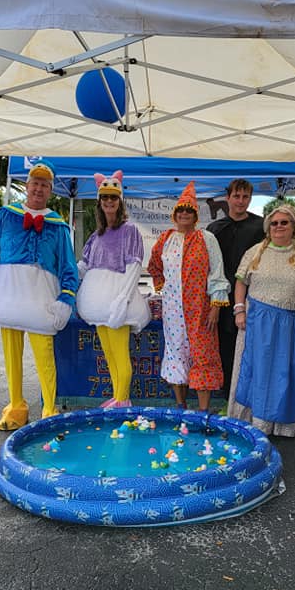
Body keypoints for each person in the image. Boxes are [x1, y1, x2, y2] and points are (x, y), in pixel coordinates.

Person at [0, 164, 79, 431]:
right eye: (35, 183)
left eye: (44, 185)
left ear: (50, 191)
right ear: (26, 186)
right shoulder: (6, 216)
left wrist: (66, 298)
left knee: (45, 356)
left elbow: (68, 266)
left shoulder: (58, 226)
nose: (38, 189)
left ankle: (49, 410)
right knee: (11, 355)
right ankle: (16, 406)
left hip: (40, 301)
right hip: (8, 296)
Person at [228, 203, 295, 437]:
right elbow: (241, 282)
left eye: (284, 222)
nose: (279, 226)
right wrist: (239, 310)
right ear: (268, 227)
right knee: (256, 371)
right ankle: (255, 421)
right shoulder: (255, 252)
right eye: (274, 223)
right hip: (257, 322)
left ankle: (283, 425)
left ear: (293, 226)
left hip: (289, 324)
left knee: (286, 373)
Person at [147, 181, 230, 411]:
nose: (184, 214)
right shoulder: (165, 239)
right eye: (181, 210)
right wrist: (163, 287)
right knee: (176, 353)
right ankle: (180, 405)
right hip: (173, 311)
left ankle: (203, 410)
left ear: (195, 215)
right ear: (175, 214)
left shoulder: (206, 238)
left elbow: (217, 272)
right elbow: (154, 265)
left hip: (201, 310)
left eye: (189, 211)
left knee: (203, 354)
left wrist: (216, 306)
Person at [76, 170, 150, 409]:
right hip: (97, 303)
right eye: (105, 197)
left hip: (117, 300)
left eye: (113, 197)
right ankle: (118, 396)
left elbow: (134, 266)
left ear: (120, 201)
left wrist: (123, 299)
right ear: (99, 202)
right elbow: (84, 266)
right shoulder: (96, 235)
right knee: (108, 353)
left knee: (120, 353)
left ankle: (122, 399)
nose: (109, 201)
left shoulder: (130, 231)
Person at [206, 179, 264, 398]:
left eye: (245, 197)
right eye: (236, 196)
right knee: (225, 346)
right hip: (221, 297)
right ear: (227, 198)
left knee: (251, 345)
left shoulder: (261, 227)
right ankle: (227, 395)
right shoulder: (214, 229)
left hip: (253, 295)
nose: (241, 201)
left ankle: (249, 394)